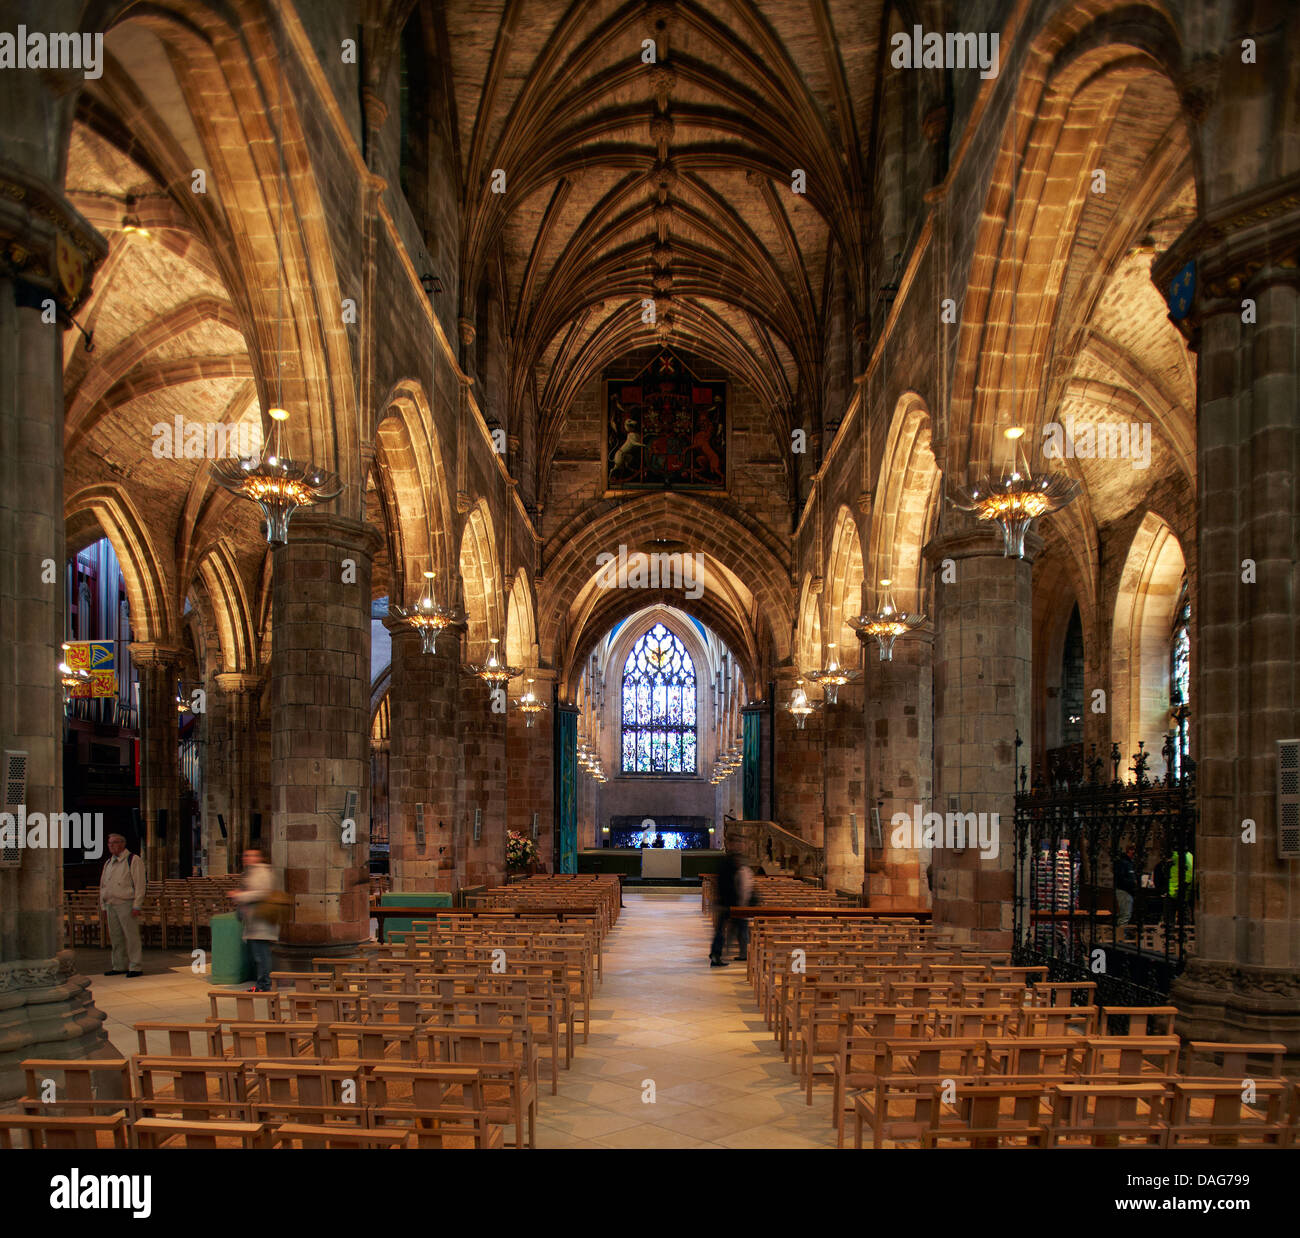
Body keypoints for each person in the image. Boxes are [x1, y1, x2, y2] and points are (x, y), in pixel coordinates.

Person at [228, 849, 279, 992]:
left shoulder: (262, 873)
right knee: (259, 955)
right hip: (254, 921)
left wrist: (241, 895)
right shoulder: (251, 872)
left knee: (261, 955)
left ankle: (264, 985)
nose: (246, 858)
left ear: (258, 857)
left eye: (250, 856)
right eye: (245, 855)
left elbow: (263, 893)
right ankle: (261, 983)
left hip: (261, 922)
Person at [99, 833, 146, 977]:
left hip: (126, 903)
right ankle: (119, 965)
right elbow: (103, 884)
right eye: (109, 843)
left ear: (122, 844)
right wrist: (103, 904)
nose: (111, 845)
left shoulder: (133, 860)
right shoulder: (108, 862)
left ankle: (135, 966)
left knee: (131, 936)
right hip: (111, 904)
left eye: (114, 842)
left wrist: (137, 904)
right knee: (116, 937)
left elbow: (140, 884)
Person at [709, 838, 744, 967]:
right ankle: (717, 953)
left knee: (722, 929)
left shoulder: (728, 862)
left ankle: (717, 952)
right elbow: (728, 884)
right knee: (722, 930)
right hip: (727, 902)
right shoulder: (728, 863)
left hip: (727, 901)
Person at [1114, 844, 1138, 932]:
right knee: (1125, 915)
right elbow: (1120, 878)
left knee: (1126, 915)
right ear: (1130, 851)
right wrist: (1133, 882)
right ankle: (1120, 938)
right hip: (1124, 891)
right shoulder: (1123, 863)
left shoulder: (1129, 863)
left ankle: (1122, 936)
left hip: (1128, 891)